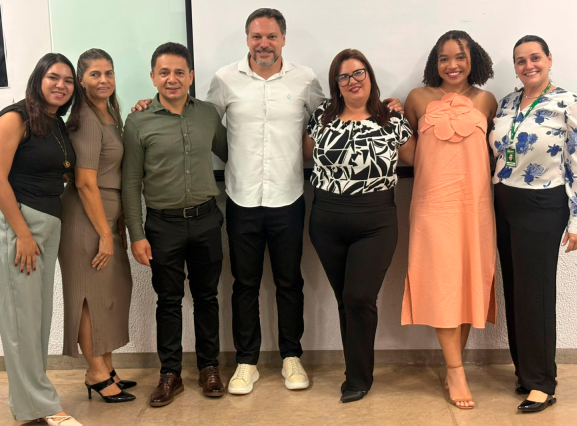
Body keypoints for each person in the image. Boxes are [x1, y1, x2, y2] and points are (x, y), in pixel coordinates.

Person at [133, 8, 401, 395]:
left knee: (289, 282)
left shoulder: (304, 79)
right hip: (240, 199)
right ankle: (247, 362)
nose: (264, 44)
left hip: (288, 197)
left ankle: (291, 356)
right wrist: (151, 103)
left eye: (271, 36)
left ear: (283, 39)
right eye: (257, 36)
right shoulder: (225, 79)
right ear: (247, 40)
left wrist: (386, 104)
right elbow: (198, 118)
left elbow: (335, 112)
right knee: (245, 284)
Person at [122, 42, 228, 408]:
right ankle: (170, 373)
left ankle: (209, 367)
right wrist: (136, 235)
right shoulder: (137, 121)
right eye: (164, 72)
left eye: (179, 72)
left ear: (191, 76)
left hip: (206, 220)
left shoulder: (208, 115)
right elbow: (131, 182)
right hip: (162, 226)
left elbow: (232, 154)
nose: (172, 79)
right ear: (153, 77)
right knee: (168, 301)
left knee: (207, 298)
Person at [303, 49, 412, 403]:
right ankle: (356, 371)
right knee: (345, 299)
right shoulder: (321, 117)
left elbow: (418, 158)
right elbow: (304, 154)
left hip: (376, 223)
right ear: (336, 83)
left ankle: (359, 378)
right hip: (326, 221)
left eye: (358, 73)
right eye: (344, 76)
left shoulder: (392, 120)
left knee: (359, 297)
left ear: (370, 76)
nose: (352, 81)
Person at [489, 35, 577, 413]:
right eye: (520, 60)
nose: (528, 65)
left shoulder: (570, 103)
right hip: (505, 202)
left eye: (535, 58)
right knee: (516, 290)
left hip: (543, 204)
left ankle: (542, 384)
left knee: (536, 292)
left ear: (549, 59)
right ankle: (526, 372)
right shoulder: (507, 103)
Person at [400, 30, 498, 409]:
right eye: (444, 58)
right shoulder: (417, 98)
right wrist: (391, 115)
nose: (452, 65)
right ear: (434, 62)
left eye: (460, 57)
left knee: (469, 282)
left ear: (474, 60)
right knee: (441, 282)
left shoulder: (487, 101)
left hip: (475, 206)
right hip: (432, 205)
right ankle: (456, 370)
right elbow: (408, 151)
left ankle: (453, 364)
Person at [0, 53, 83, 426]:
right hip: (18, 226)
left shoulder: (55, 123)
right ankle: (43, 407)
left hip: (46, 226)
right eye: (53, 77)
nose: (61, 85)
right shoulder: (15, 117)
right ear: (38, 79)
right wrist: (22, 234)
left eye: (68, 80)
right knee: (20, 322)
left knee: (35, 321)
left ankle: (26, 404)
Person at [59, 48, 135, 403]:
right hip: (87, 221)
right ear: (81, 81)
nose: (103, 80)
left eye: (108, 73)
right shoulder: (86, 119)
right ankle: (95, 373)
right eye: (94, 74)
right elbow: (85, 182)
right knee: (89, 298)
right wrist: (105, 232)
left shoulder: (109, 113)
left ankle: (106, 366)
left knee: (106, 295)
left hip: (105, 217)